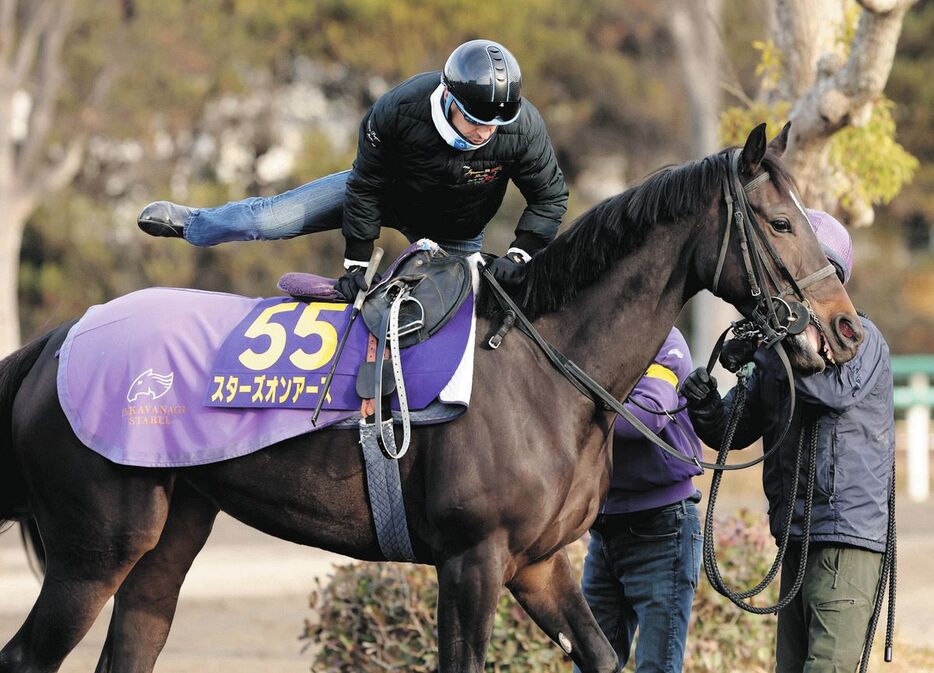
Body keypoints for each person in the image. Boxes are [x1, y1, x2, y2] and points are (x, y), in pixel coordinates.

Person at [137, 39, 568, 300]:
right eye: (475, 120)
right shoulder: (398, 110)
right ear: (450, 99)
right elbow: (365, 188)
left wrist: (520, 253)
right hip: (382, 198)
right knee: (268, 219)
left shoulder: (523, 128)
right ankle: (194, 224)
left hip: (455, 233)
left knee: (467, 319)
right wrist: (357, 265)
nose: (483, 133)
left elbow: (549, 196)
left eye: (493, 125)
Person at [682, 209, 894, 673]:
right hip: (796, 536)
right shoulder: (782, 355)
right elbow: (734, 431)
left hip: (846, 539)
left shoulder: (863, 339)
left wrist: (767, 348)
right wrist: (704, 403)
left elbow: (829, 392)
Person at [578, 326, 703, 673]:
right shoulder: (593, 338)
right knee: (591, 664)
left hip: (663, 532)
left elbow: (644, 418)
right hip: (604, 531)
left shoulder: (664, 342)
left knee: (657, 667)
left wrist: (571, 408)